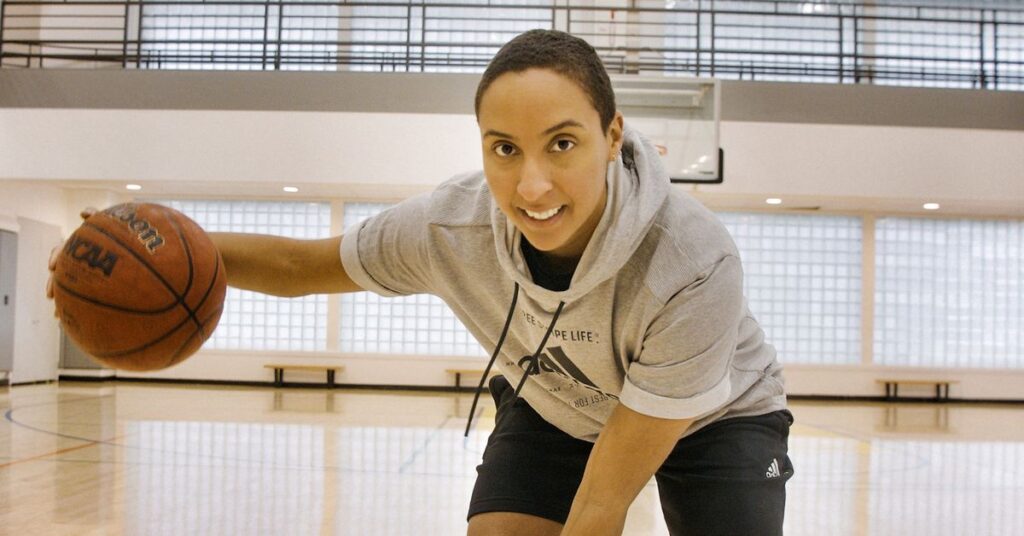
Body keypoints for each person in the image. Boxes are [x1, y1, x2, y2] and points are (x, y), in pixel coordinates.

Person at [51, 29, 793, 536]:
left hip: (717, 417)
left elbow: (602, 505)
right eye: (504, 149)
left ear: (612, 136)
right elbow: (298, 266)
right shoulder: (450, 227)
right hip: (559, 402)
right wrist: (140, 252)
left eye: (562, 143)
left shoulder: (691, 263)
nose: (532, 184)